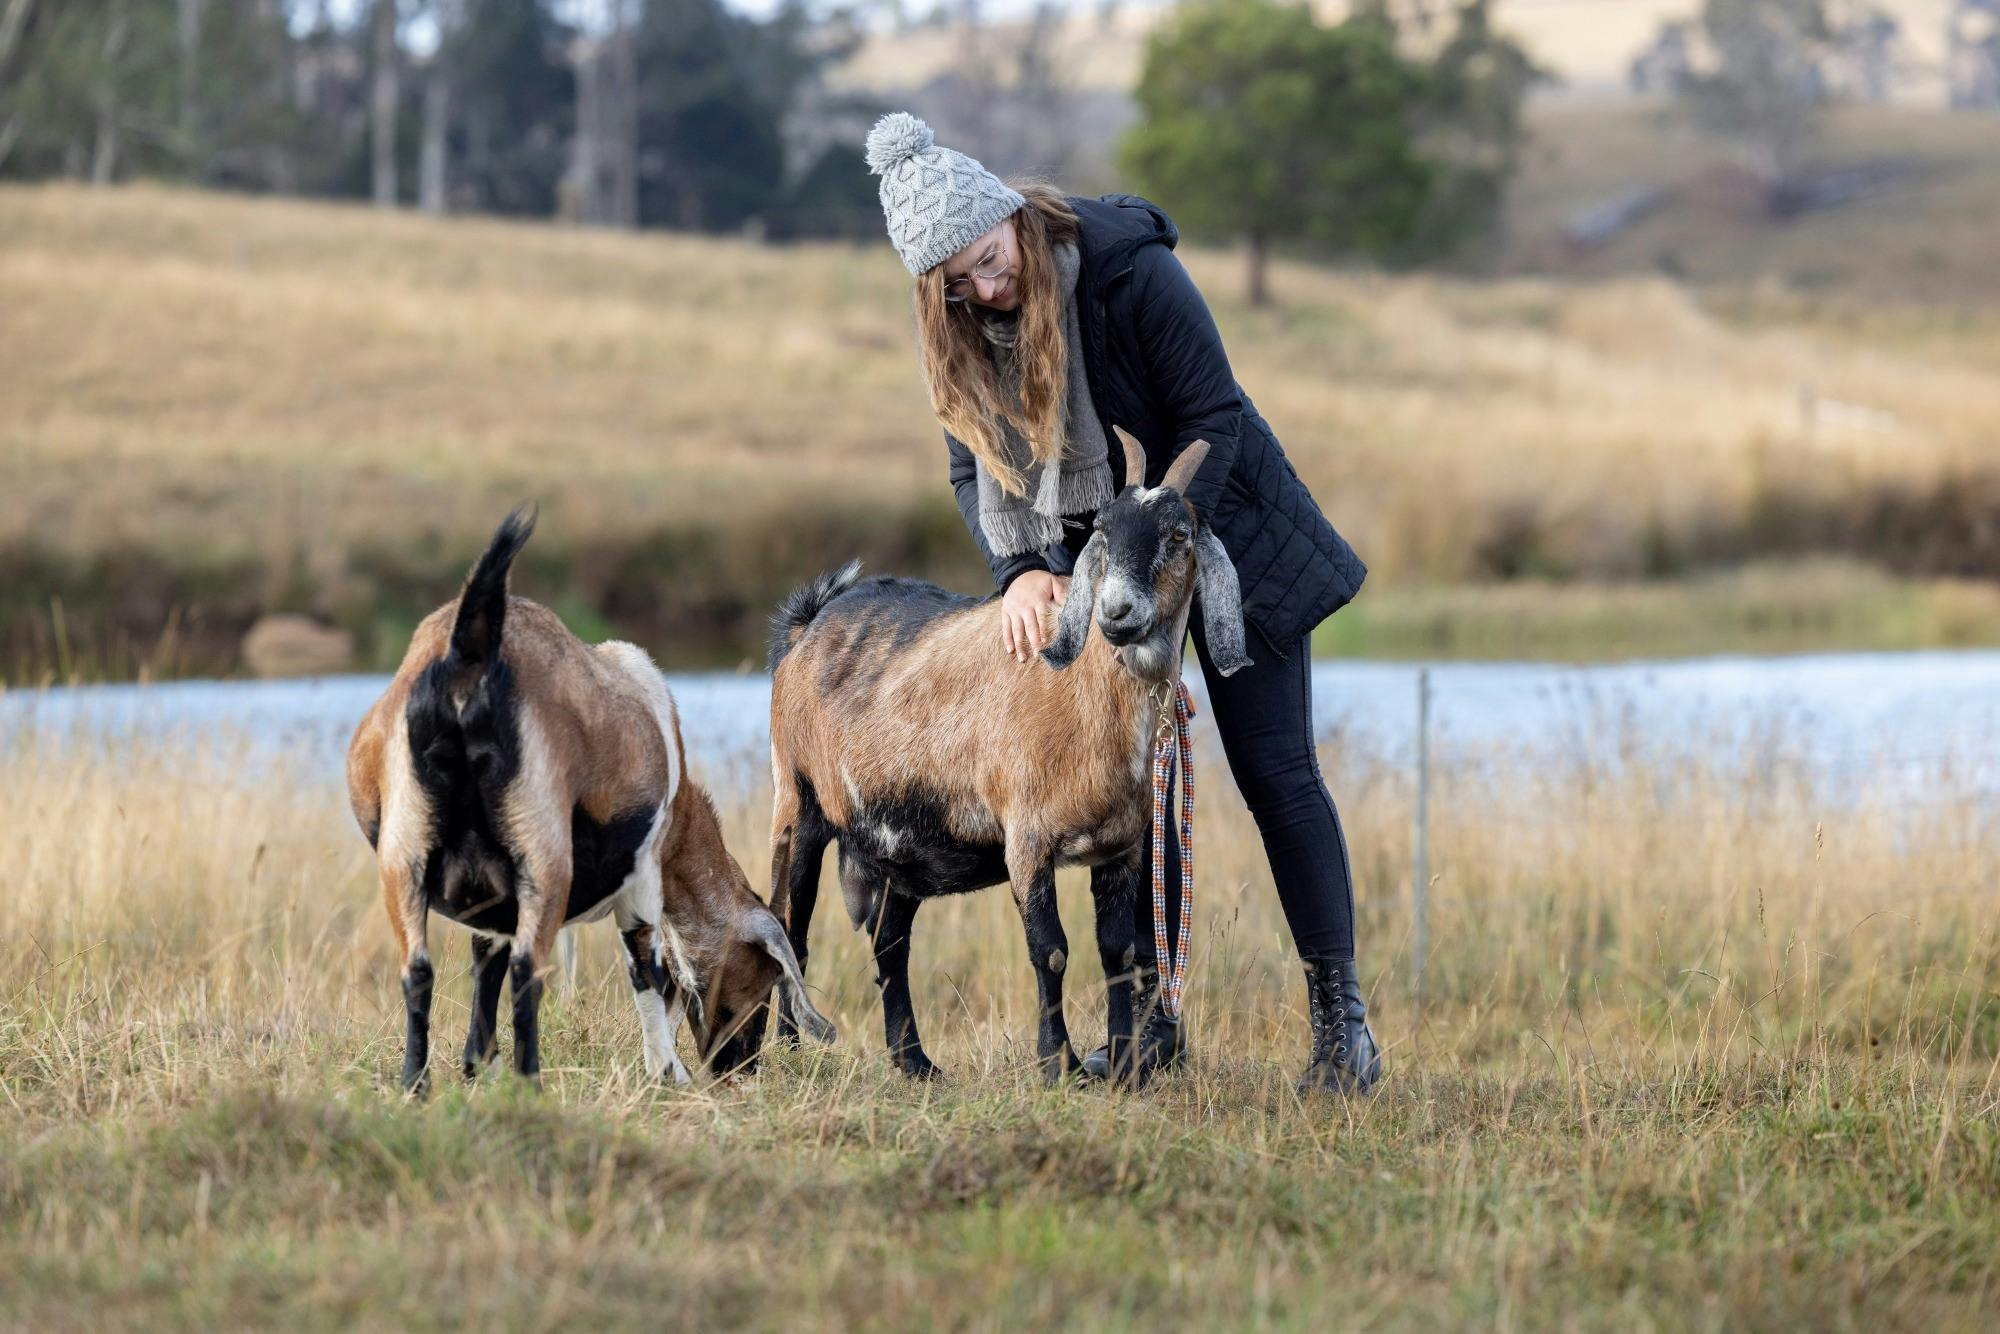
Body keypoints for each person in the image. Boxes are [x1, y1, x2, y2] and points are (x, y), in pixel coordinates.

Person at [864, 112, 1379, 1093]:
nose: (985, 287)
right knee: (1119, 795)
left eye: (986, 259)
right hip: (1097, 582)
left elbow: (1213, 413)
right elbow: (966, 470)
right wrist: (1021, 571)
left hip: (1220, 537)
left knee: (1276, 773)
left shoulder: (1125, 268)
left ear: (1008, 218)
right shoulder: (962, 322)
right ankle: (1145, 1031)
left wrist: (1153, 551)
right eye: (958, 281)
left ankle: (1340, 1028)